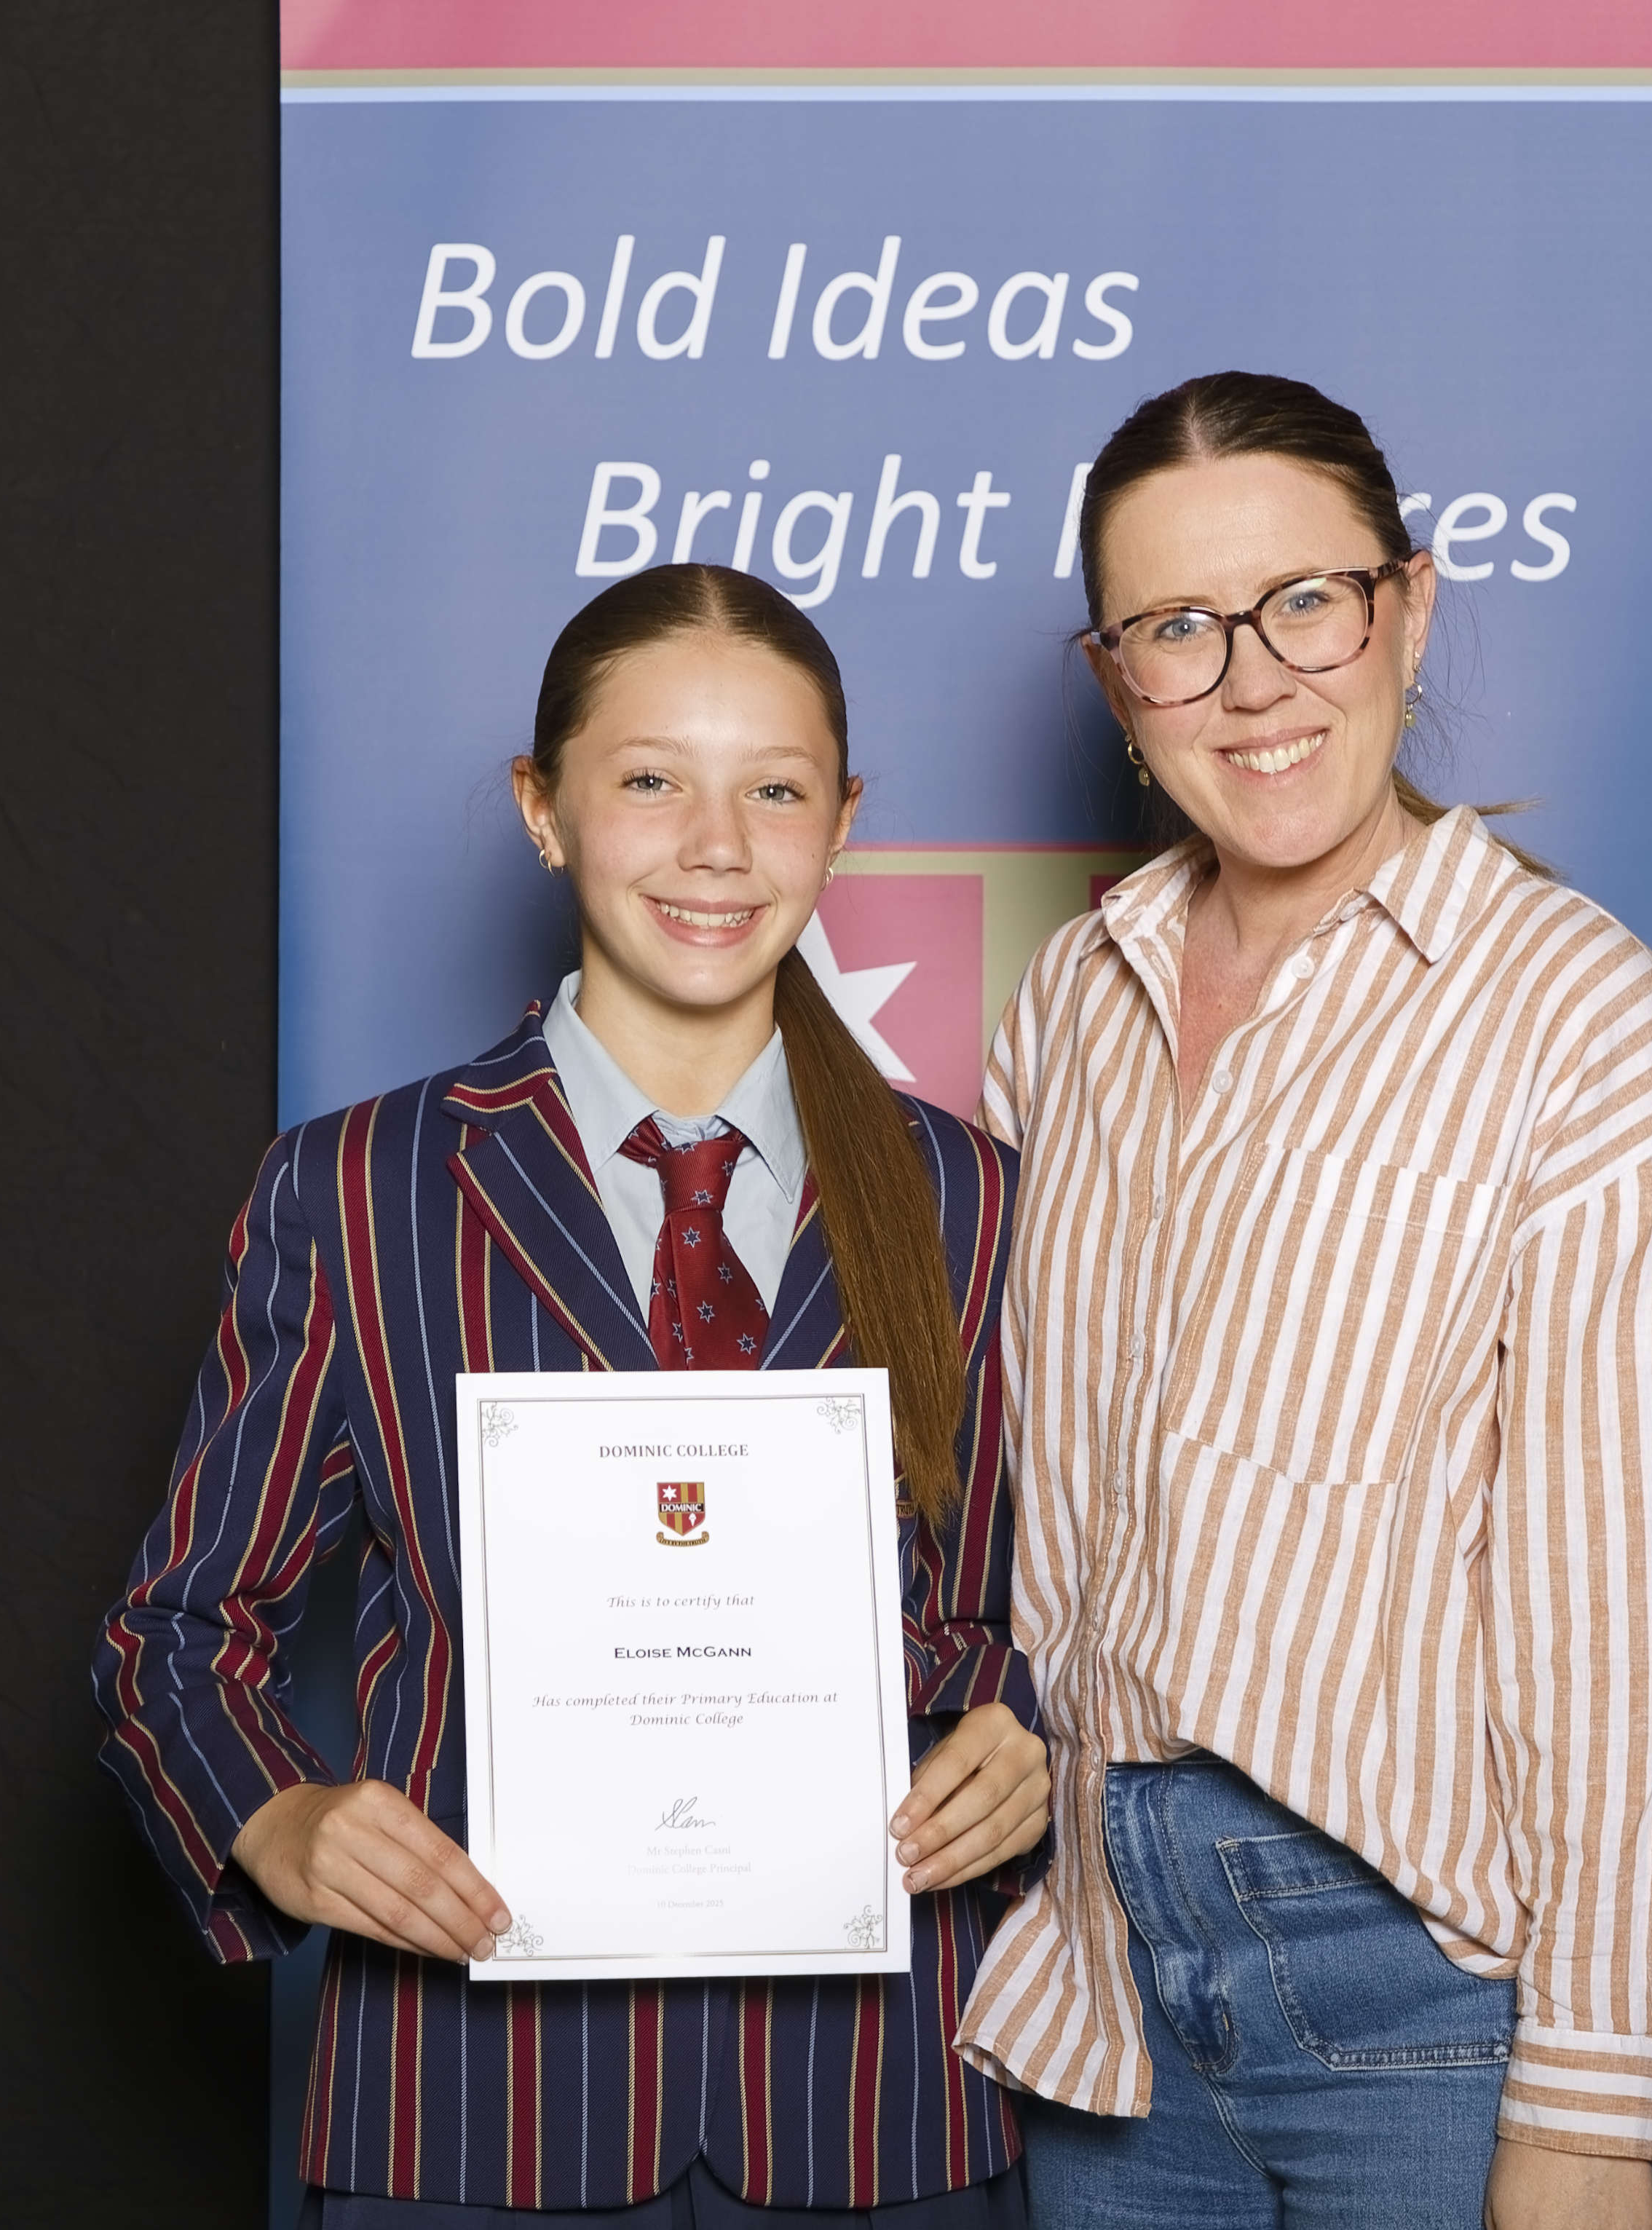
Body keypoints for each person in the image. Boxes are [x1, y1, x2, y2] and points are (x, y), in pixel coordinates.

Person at [94, 564, 1050, 2226]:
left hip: (875, 2111)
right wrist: (274, 1812)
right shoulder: (361, 1189)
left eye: (776, 790)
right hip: (471, 2114)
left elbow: (1040, 1620)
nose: (717, 845)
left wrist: (1033, 1743)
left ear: (843, 824)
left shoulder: (975, 1198)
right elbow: (175, 1630)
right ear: (545, 810)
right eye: (651, 780)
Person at [953, 373, 1652, 2230]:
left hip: (1446, 1998)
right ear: (1115, 681)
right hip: (1107, 1990)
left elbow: (1643, 1626)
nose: (1253, 681)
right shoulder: (1071, 1005)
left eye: (1306, 602)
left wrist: (1588, 2110)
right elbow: (1032, 1496)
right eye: (1180, 627)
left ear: (1407, 606)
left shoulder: (1583, 1025)